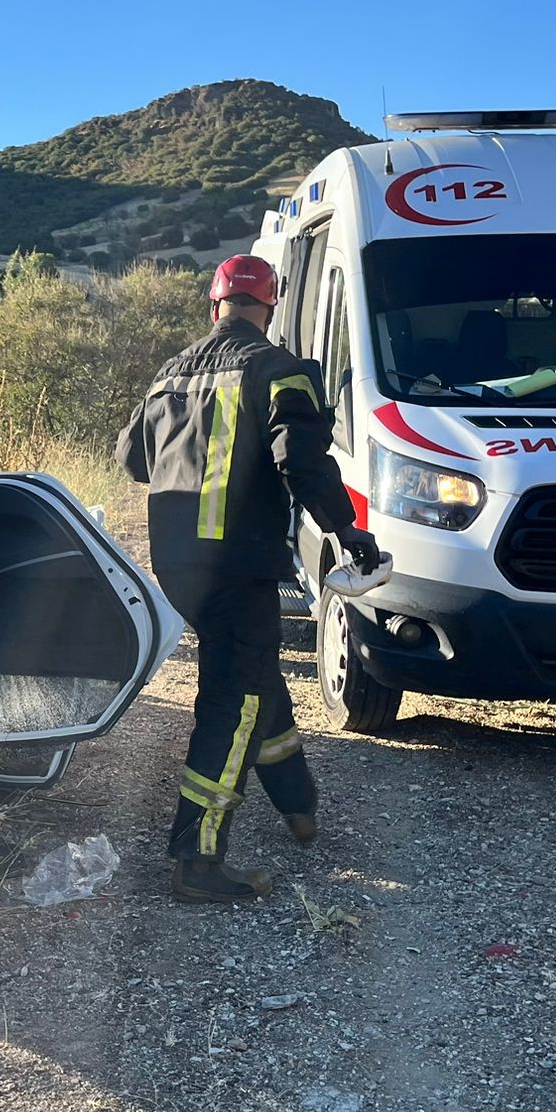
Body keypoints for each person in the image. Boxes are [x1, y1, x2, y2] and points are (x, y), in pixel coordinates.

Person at [115, 253, 382, 903]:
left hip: (179, 569)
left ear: (215, 305)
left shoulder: (169, 373)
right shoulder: (280, 370)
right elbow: (303, 459)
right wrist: (347, 531)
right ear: (270, 306)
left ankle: (299, 809)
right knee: (233, 704)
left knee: (256, 680)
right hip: (240, 567)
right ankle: (196, 860)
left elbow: (131, 460)